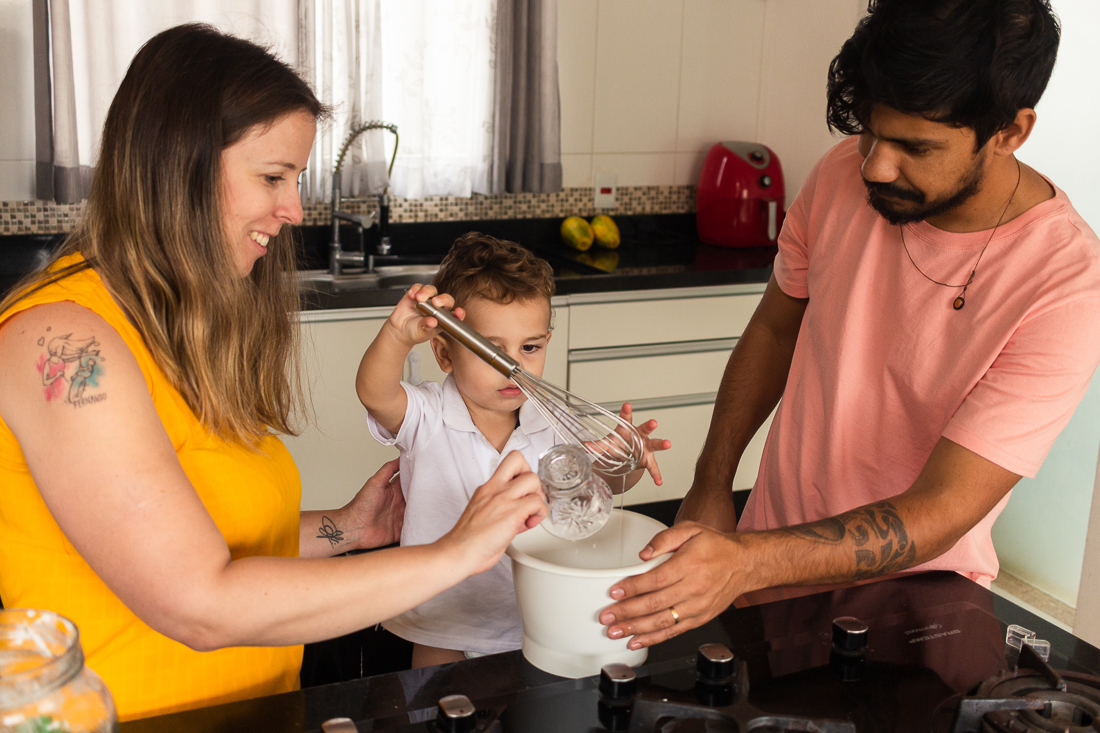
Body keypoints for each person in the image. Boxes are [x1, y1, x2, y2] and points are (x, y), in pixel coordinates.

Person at [0, 25, 546, 722]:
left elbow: (198, 528)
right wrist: (454, 553)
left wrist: (345, 529)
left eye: (295, 179)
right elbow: (200, 602)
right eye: (272, 177)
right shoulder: (67, 344)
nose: (292, 210)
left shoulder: (169, 322)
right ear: (180, 165)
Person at [598, 0, 1100, 650]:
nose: (874, 166)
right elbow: (775, 331)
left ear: (1010, 130)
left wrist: (748, 558)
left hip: (915, 617)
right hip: (764, 572)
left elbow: (940, 509)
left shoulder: (1065, 284)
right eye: (869, 132)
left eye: (914, 147)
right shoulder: (841, 178)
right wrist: (712, 482)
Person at [355, 233, 670, 668]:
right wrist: (396, 334)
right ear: (444, 352)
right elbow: (375, 393)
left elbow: (598, 488)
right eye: (491, 350)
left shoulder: (555, 422)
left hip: (529, 618)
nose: (514, 366)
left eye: (530, 347)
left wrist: (625, 461)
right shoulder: (427, 416)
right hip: (442, 621)